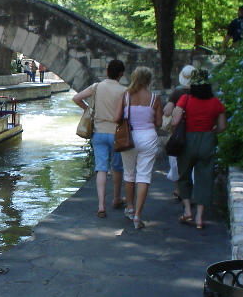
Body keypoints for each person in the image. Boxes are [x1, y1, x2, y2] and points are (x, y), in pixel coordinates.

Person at [170, 68, 227, 230]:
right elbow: (222, 126)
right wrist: (210, 131)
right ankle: (200, 218)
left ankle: (188, 210)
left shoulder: (185, 100)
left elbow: (175, 122)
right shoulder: (216, 102)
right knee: (205, 177)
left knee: (184, 175)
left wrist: (176, 134)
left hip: (188, 139)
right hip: (207, 140)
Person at [72, 59, 126, 218]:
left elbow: (76, 98)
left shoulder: (96, 87)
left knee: (101, 168)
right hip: (116, 133)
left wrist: (88, 109)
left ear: (107, 71)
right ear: (121, 74)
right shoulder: (124, 91)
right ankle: (116, 199)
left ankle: (101, 205)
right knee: (117, 167)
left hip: (98, 132)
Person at [112, 66, 162, 230]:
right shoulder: (155, 98)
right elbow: (159, 123)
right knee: (144, 175)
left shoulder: (125, 96)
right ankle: (138, 215)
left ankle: (131, 207)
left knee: (129, 173)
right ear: (148, 80)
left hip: (129, 138)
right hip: (148, 137)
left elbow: (116, 118)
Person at [163, 65, 194, 200]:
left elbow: (167, 111)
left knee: (175, 161)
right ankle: (192, 191)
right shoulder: (200, 92)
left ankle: (178, 189)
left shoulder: (177, 92)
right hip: (194, 131)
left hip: (178, 131)